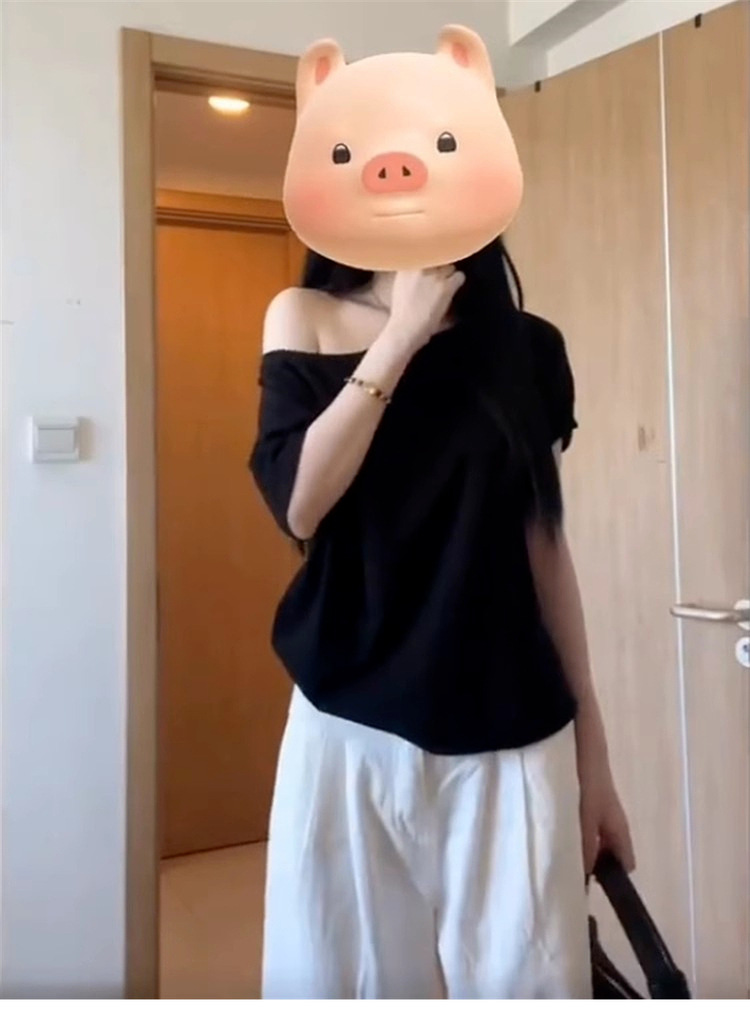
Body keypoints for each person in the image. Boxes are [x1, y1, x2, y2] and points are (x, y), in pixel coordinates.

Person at [249, 239, 635, 999]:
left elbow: (545, 548)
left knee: (534, 988)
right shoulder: (305, 316)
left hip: (514, 730)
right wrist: (400, 336)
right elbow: (300, 504)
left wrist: (594, 757)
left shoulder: (529, 347)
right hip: (347, 727)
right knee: (340, 988)